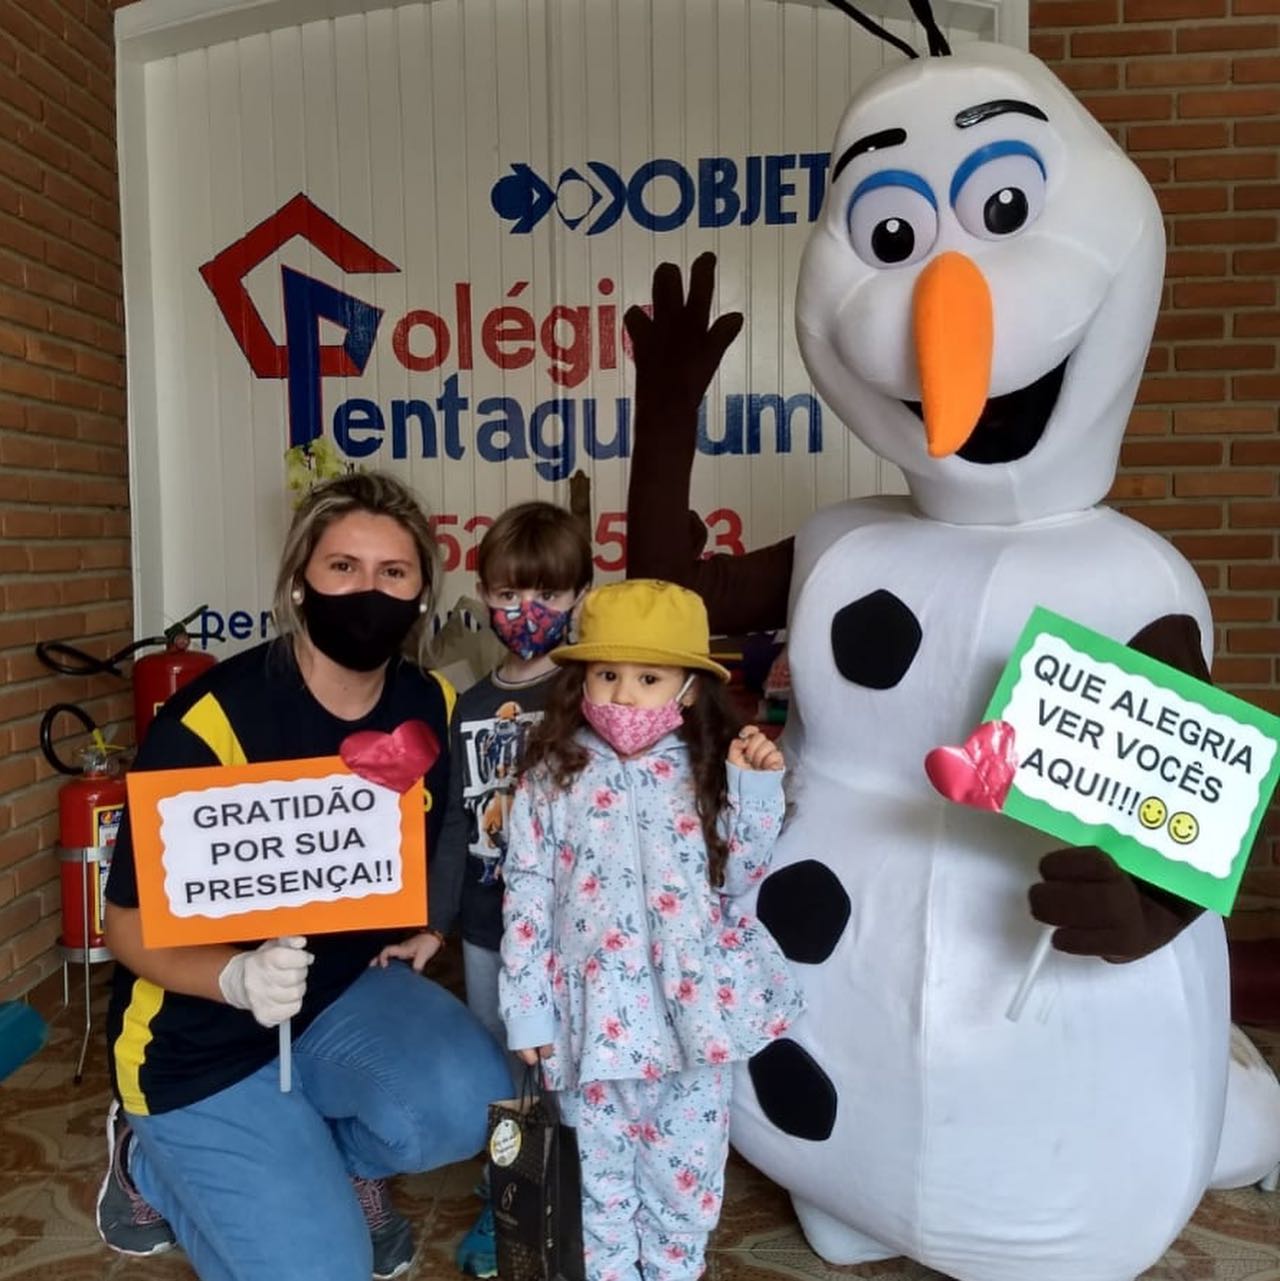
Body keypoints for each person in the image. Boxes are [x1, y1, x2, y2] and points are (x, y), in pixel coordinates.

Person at [96, 472, 513, 1281]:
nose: (368, 591)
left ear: (422, 593)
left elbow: (445, 834)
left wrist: (430, 923)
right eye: (342, 567)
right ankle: (144, 1161)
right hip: (196, 1040)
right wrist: (235, 975)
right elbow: (126, 927)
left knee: (464, 1101)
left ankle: (338, 1159)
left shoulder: (428, 701)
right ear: (298, 581)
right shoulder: (212, 722)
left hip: (337, 993)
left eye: (393, 572)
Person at [499, 579, 804, 1281]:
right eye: (607, 674)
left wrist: (754, 789)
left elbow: (740, 877)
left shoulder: (707, 768)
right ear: (581, 680)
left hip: (690, 1022)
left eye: (648, 678)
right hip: (590, 1024)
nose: (624, 695)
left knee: (683, 1184)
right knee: (597, 1189)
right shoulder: (550, 775)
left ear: (689, 689)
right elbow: (527, 892)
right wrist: (527, 1010)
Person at [380, 500, 593, 1278]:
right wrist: (433, 924)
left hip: (571, 926)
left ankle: (570, 1193)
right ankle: (513, 1192)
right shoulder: (467, 705)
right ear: (483, 595)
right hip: (484, 924)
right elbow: (453, 824)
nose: (527, 610)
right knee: (504, 1064)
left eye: (548, 593)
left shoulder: (588, 693)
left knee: (567, 1060)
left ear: (580, 595)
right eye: (509, 594)